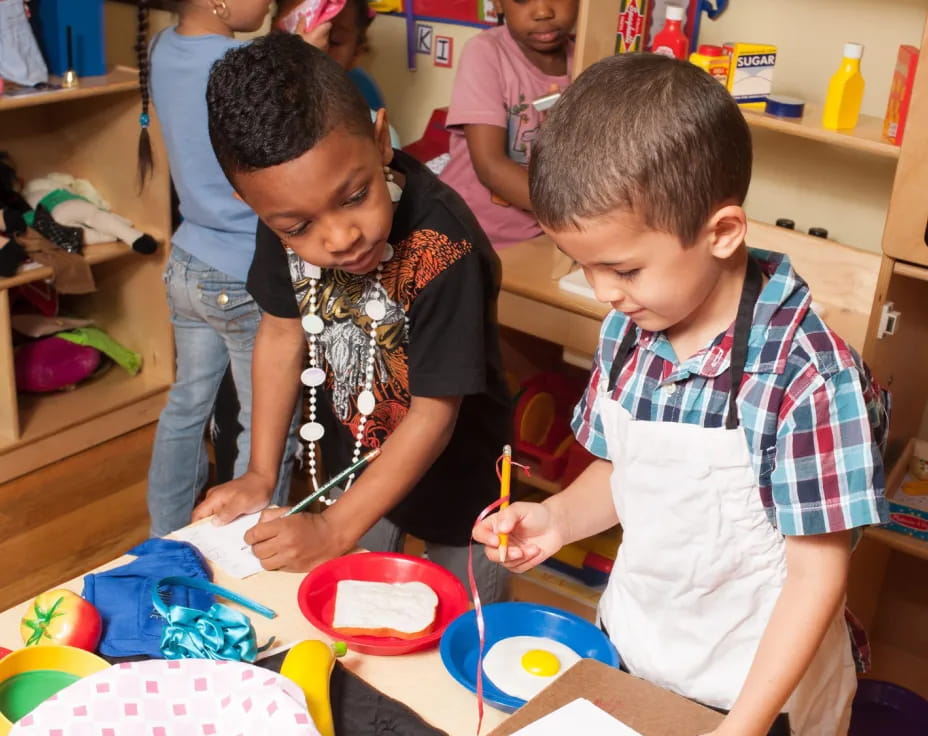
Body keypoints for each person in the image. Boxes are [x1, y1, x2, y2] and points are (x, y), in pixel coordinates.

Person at [473, 53, 889, 735]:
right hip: (639, 650)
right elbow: (623, 471)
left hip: (756, 693)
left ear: (722, 232)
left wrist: (742, 727)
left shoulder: (810, 378)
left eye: (624, 267)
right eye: (585, 266)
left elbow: (817, 581)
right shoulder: (630, 328)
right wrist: (556, 522)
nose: (604, 291)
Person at [191, 32, 511, 603]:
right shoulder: (283, 219)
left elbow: (434, 415)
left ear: (381, 139)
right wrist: (262, 474)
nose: (339, 237)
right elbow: (281, 333)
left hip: (460, 482)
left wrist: (334, 529)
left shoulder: (443, 246)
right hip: (352, 470)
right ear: (257, 209)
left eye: (355, 196)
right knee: (359, 615)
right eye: (297, 227)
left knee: (464, 625)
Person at [136, 0, 299, 537]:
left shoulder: (161, 47)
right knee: (266, 430)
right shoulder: (241, 61)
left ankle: (164, 536)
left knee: (185, 407)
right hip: (242, 270)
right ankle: (248, 551)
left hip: (186, 261)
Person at [439, 0, 578, 248]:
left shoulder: (587, 57)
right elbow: (491, 166)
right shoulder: (485, 52)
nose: (543, 11)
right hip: (468, 237)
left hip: (546, 237)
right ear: (498, 4)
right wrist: (578, 214)